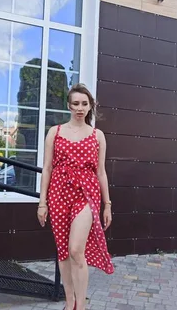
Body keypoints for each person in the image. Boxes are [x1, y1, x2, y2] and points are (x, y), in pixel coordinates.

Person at [37, 83, 114, 310]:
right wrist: (42, 203)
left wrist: (107, 205)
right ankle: (69, 303)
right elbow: (47, 168)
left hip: (86, 195)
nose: (80, 108)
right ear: (69, 106)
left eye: (84, 104)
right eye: (76, 104)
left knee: (75, 250)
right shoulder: (55, 132)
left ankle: (81, 306)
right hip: (58, 193)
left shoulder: (97, 135)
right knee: (63, 251)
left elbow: (101, 171)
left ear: (90, 106)